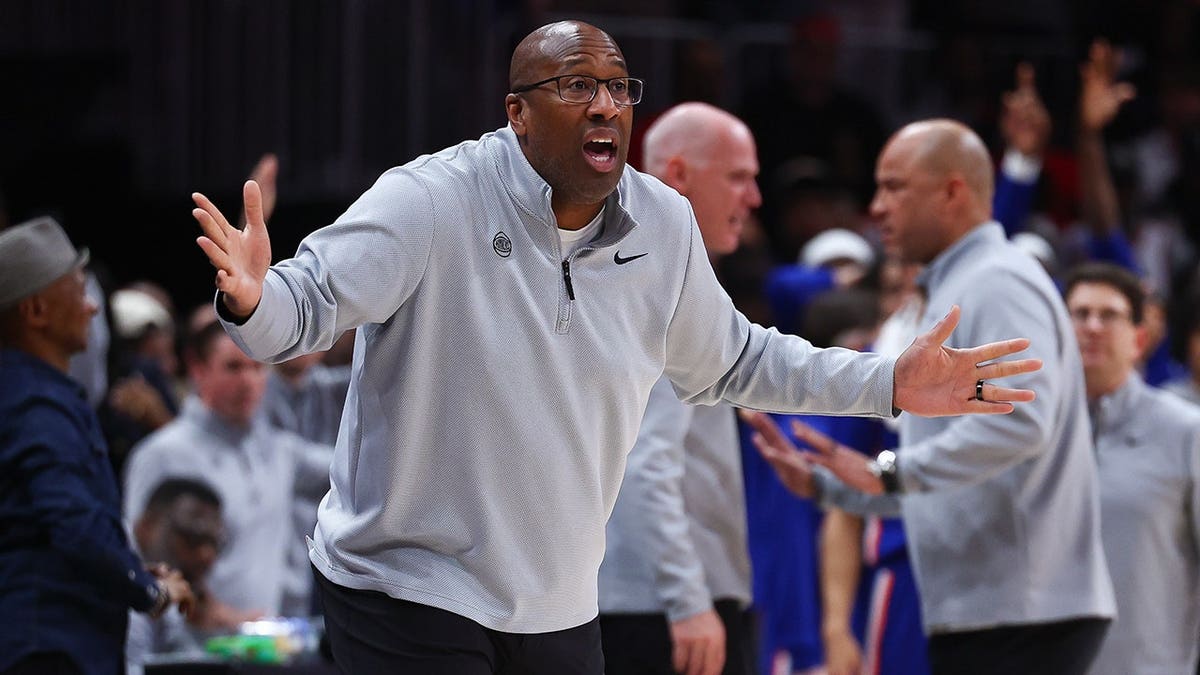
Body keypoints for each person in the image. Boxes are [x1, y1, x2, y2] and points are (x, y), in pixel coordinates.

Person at [189, 21, 1041, 674]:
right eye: (575, 86)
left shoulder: (663, 224)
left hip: (557, 600)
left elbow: (736, 361)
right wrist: (253, 300)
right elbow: (307, 304)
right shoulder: (431, 200)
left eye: (618, 87)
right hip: (408, 581)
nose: (605, 104)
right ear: (517, 114)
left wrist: (890, 382)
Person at [743, 119, 1116, 675]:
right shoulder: (963, 283)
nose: (876, 207)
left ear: (951, 192)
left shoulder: (995, 282)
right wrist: (836, 488)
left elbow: (1020, 423)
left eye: (894, 187)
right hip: (998, 609)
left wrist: (890, 470)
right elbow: (958, 476)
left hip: (1020, 612)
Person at [596, 102, 760, 675]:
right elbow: (646, 462)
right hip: (665, 608)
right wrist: (687, 600)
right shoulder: (659, 280)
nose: (754, 198)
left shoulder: (614, 268)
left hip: (628, 596)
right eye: (739, 177)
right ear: (680, 176)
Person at [0, 216, 194, 675]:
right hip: (47, 648)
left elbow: (44, 530)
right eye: (76, 289)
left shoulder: (33, 392)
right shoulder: (35, 405)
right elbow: (74, 524)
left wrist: (131, 569)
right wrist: (150, 593)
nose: (91, 308)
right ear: (36, 311)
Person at [122, 317, 333, 620]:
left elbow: (356, 469)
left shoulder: (280, 451)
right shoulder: (161, 455)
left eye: (258, 368)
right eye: (233, 367)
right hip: (183, 656)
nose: (248, 381)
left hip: (269, 649)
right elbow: (139, 567)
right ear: (198, 369)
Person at [1062, 262, 1200, 675]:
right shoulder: (1028, 431)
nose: (1093, 327)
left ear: (1140, 338)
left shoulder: (1185, 431)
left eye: (1109, 315)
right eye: (1080, 314)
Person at [126, 478, 228, 675]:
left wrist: (203, 629)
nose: (206, 556)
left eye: (215, 543)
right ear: (147, 526)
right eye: (192, 537)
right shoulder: (122, 579)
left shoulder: (166, 583)